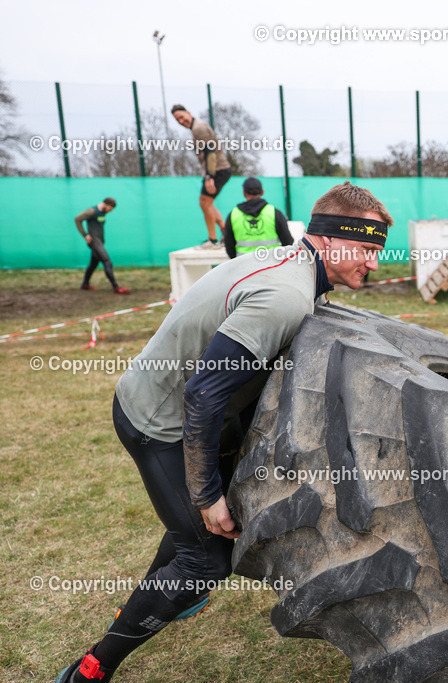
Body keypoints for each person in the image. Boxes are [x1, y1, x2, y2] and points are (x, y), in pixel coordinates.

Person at [57, 182, 393, 682]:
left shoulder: (290, 263)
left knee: (189, 538)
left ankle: (166, 591)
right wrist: (207, 492)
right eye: (366, 249)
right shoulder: (286, 297)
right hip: (156, 423)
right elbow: (203, 395)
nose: (374, 263)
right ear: (325, 240)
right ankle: (92, 668)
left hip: (189, 414)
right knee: (206, 561)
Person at [171, 104, 232, 250]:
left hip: (218, 170)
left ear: (188, 112)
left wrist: (210, 176)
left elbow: (210, 152)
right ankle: (226, 234)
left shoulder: (199, 128)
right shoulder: (196, 128)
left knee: (205, 203)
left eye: (181, 117)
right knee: (206, 203)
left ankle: (212, 240)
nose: (180, 121)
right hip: (216, 170)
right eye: (177, 119)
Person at [223, 177, 294, 258]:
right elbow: (288, 242)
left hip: (244, 266)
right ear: (262, 192)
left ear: (244, 192)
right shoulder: (274, 213)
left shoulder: (233, 215)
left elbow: (229, 246)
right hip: (272, 265)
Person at [74, 198, 131, 295]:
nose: (110, 211)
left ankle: (85, 284)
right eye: (110, 208)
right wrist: (85, 235)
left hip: (100, 241)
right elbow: (77, 219)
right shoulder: (92, 211)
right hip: (94, 242)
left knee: (93, 264)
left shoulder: (103, 212)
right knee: (107, 261)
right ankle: (116, 287)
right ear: (105, 204)